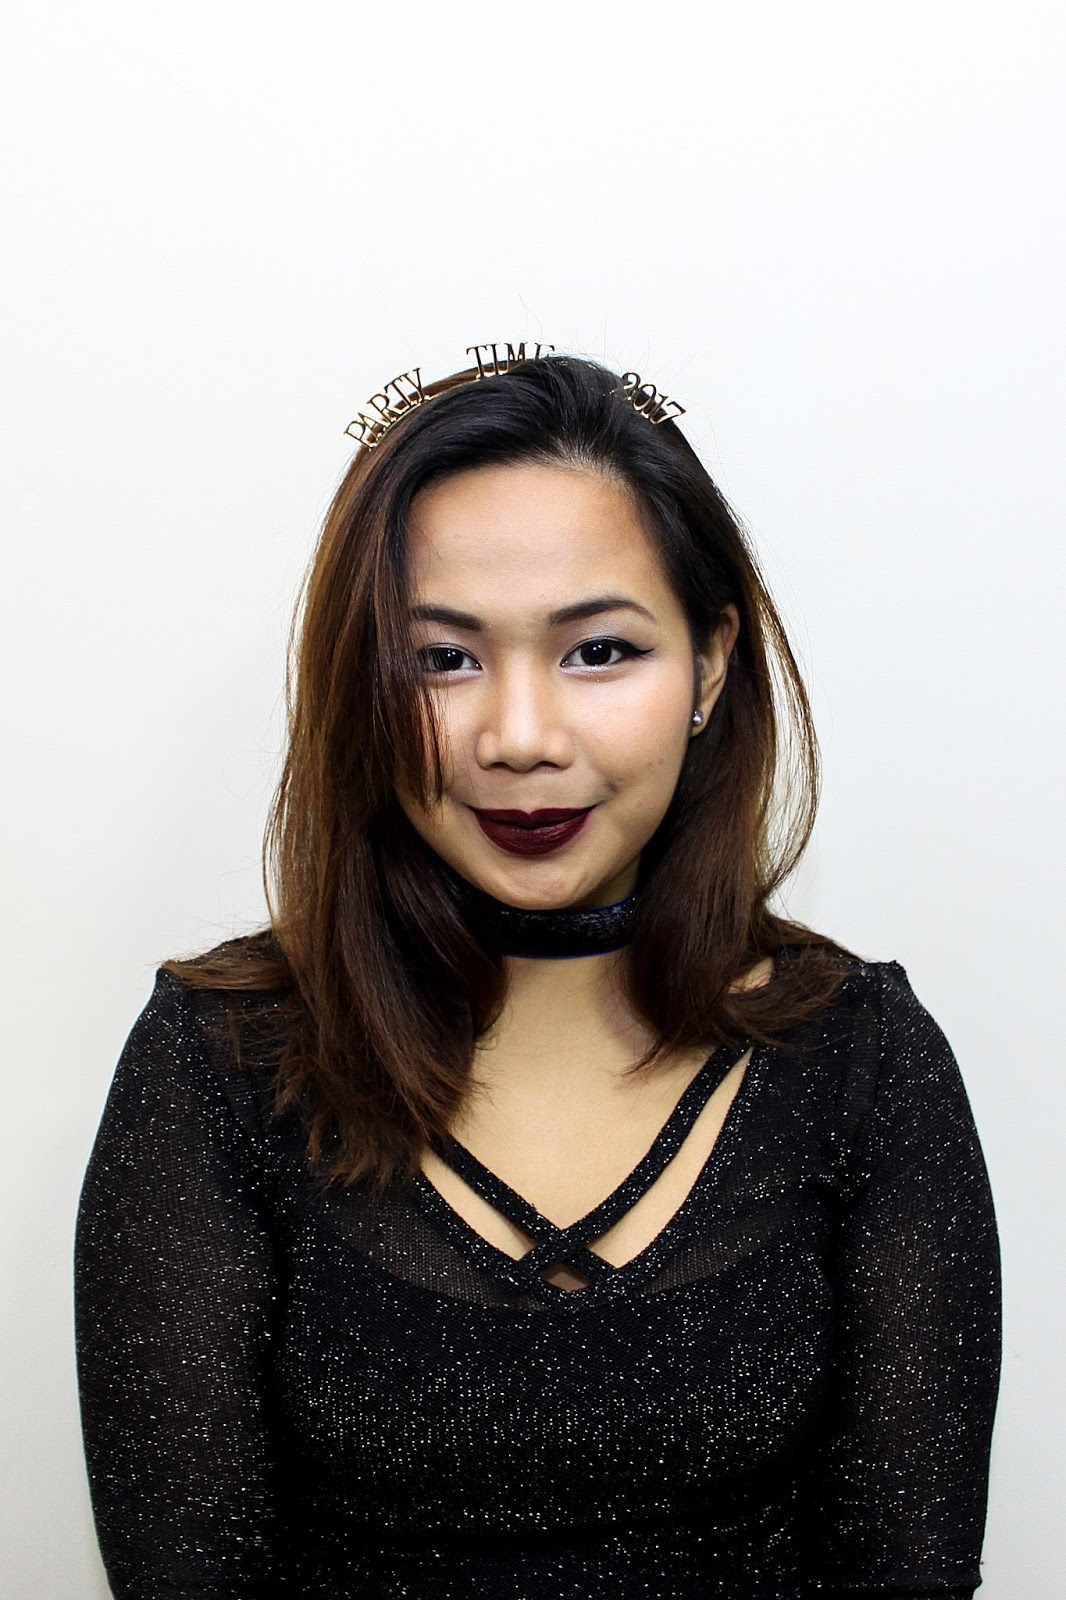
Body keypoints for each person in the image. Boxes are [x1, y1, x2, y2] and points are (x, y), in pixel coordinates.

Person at [74, 351, 1002, 1599]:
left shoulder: (863, 1056)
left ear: (709, 664)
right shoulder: (217, 1062)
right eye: (440, 659)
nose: (518, 737)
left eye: (599, 649)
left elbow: (910, 1567)